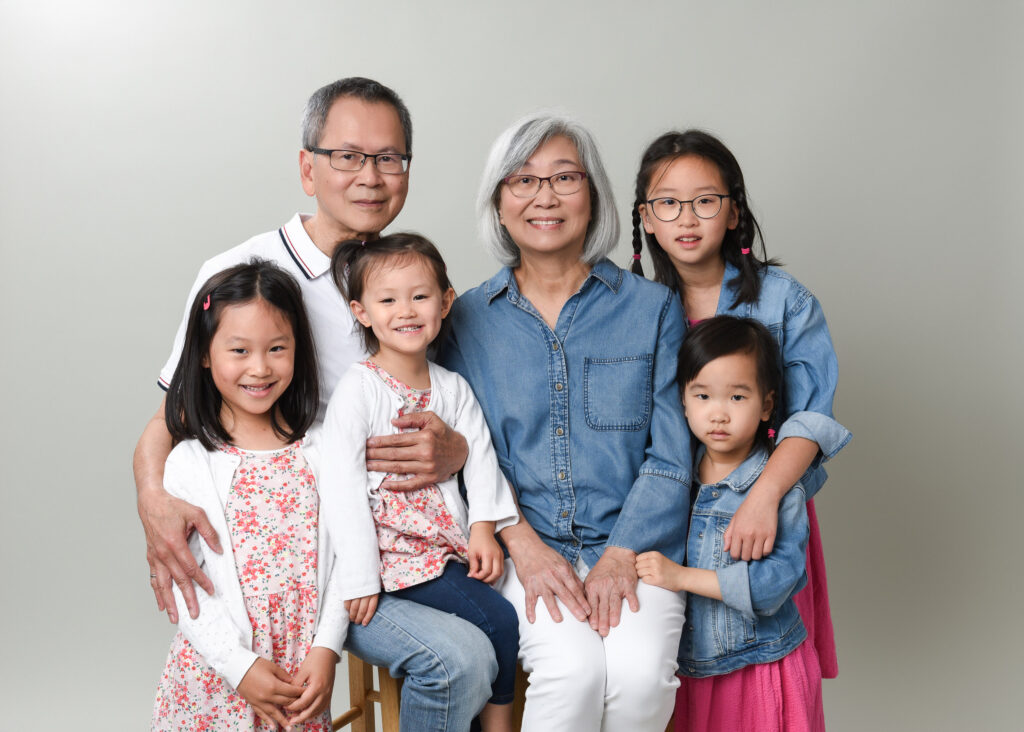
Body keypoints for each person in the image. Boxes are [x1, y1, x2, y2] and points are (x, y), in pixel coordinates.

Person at [135, 77, 495, 731]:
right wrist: (153, 502)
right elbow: (170, 419)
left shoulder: (411, 279)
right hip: (324, 556)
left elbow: (451, 403)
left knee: (517, 632)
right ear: (308, 166)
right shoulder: (245, 272)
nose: (371, 176)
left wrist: (460, 446)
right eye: (348, 156)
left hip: (417, 542)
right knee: (461, 659)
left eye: (390, 158)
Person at [437, 113, 692, 731]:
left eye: (564, 178)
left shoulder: (654, 308)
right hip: (520, 547)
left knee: (638, 680)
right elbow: (460, 457)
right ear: (499, 204)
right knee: (572, 674)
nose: (544, 197)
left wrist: (620, 554)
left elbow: (673, 455)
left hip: (635, 547)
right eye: (522, 181)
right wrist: (520, 542)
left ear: (594, 195)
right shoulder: (463, 321)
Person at [630, 129, 851, 684]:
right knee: (666, 679)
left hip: (761, 516)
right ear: (646, 218)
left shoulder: (783, 299)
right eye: (668, 204)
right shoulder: (635, 310)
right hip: (667, 520)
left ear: (733, 212)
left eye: (705, 201)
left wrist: (764, 498)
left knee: (760, 664)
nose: (686, 218)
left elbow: (810, 416)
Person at [319, 233, 521, 732]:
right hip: (394, 562)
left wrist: (483, 530)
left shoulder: (451, 386)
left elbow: (478, 457)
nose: (405, 311)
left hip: (439, 553)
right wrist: (362, 577)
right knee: (498, 620)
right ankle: (499, 728)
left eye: (420, 296)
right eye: (387, 300)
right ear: (362, 311)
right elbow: (340, 486)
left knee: (481, 635)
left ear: (446, 300)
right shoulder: (359, 389)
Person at [151, 259, 344, 731]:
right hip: (215, 680)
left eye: (277, 348)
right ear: (203, 354)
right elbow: (185, 581)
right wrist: (239, 668)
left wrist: (327, 648)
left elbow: (348, 558)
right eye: (239, 350)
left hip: (298, 679)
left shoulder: (323, 450)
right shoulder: (190, 463)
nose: (259, 368)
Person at [637, 316, 846, 731]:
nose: (718, 414)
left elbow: (771, 586)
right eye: (702, 396)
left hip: (762, 668)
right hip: (691, 674)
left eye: (737, 397)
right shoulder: (673, 480)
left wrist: (680, 577)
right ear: (682, 401)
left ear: (767, 404)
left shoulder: (779, 489)